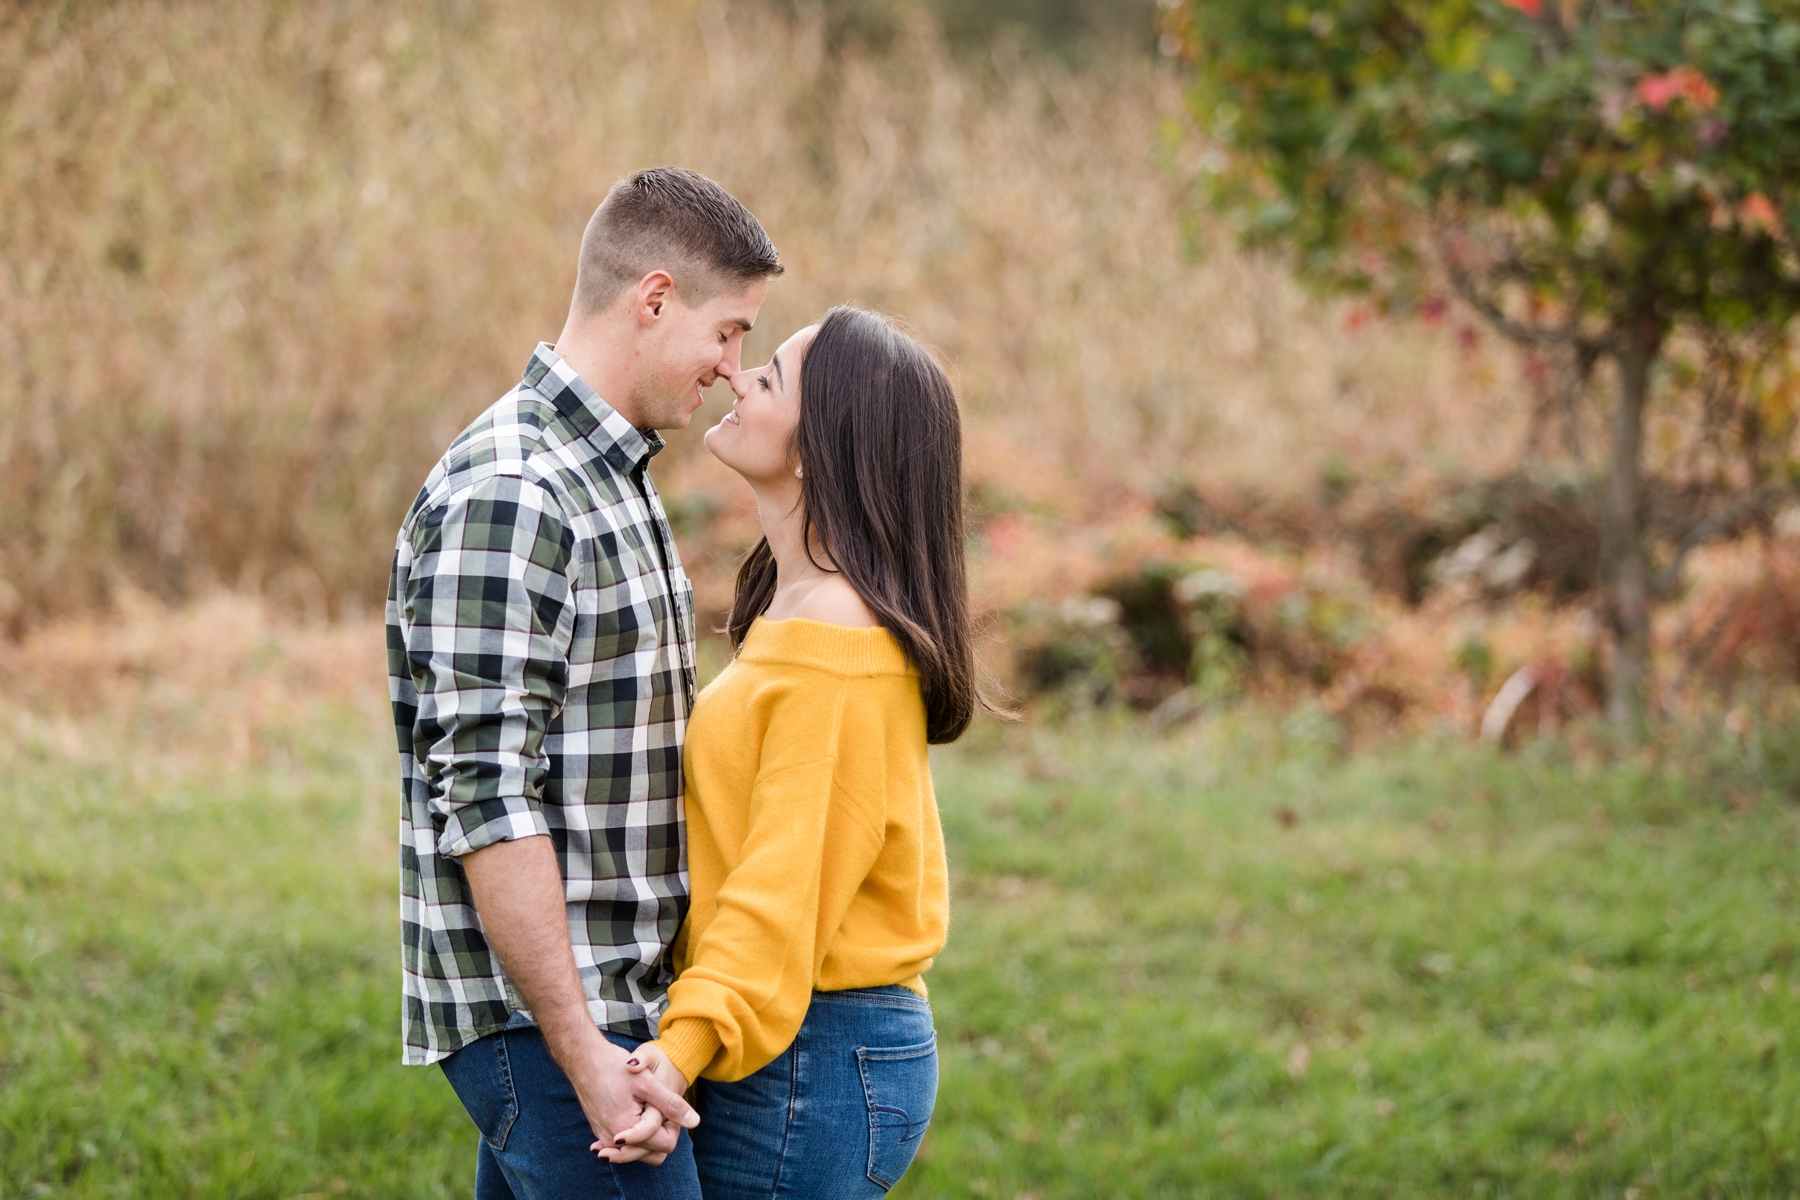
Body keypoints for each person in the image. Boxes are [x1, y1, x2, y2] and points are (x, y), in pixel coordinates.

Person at [386, 166, 782, 1199]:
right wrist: (581, 1049)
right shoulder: (516, 492)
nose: (736, 370)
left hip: (610, 1013)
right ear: (653, 299)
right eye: (730, 332)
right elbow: (486, 792)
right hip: (555, 1022)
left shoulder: (611, 475)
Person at [622, 306, 985, 1197]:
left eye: (771, 377)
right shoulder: (804, 613)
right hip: (793, 1037)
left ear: (820, 449)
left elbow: (778, 898)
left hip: (807, 1058)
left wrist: (678, 1054)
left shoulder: (838, 650)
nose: (738, 378)